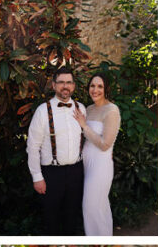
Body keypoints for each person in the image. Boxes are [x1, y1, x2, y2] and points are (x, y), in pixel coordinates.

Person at [27, 66, 86, 236]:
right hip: (51, 174)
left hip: (76, 171)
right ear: (53, 85)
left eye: (68, 82)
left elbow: (87, 137)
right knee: (51, 219)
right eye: (61, 82)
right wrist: (37, 177)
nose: (65, 86)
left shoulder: (81, 108)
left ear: (74, 86)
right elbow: (33, 147)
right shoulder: (42, 111)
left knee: (72, 217)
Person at [73, 72, 121, 236]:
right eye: (92, 86)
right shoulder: (89, 109)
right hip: (87, 162)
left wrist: (84, 126)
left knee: (91, 206)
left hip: (101, 164)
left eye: (100, 86)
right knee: (99, 207)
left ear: (106, 88)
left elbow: (105, 144)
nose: (95, 90)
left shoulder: (112, 110)